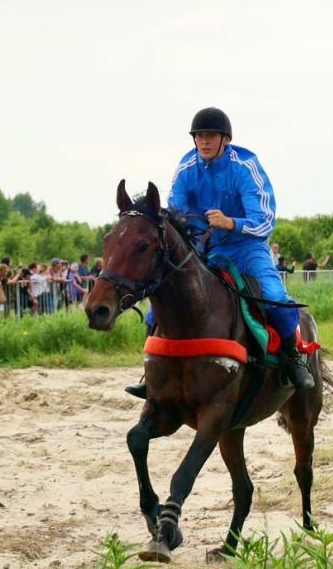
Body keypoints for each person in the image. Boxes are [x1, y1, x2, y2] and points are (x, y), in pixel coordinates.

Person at [127, 107, 313, 397]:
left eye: (210, 135)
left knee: (277, 300)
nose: (204, 141)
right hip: (206, 250)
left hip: (247, 248)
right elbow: (176, 212)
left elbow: (265, 219)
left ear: (225, 138)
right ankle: (150, 374)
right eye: (199, 136)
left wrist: (231, 223)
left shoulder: (245, 165)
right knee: (157, 311)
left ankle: (293, 362)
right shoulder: (187, 168)